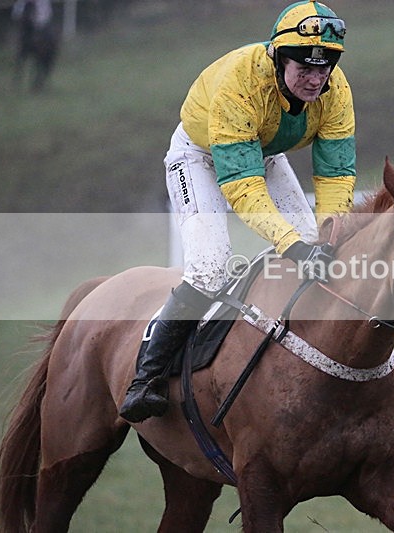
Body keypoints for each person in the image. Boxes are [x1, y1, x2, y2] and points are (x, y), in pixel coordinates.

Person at [119, 1, 356, 423]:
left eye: (325, 67)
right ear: (279, 56)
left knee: (321, 252)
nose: (315, 78)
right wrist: (292, 245)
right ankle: (147, 375)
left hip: (262, 152)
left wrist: (329, 235)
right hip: (201, 157)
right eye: (304, 66)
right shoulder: (241, 83)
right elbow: (242, 186)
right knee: (211, 268)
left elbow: (336, 174)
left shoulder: (336, 92)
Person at [11, 0, 58, 92]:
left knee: (51, 38)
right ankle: (17, 75)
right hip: (27, 27)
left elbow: (46, 15)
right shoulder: (22, 2)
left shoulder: (43, 2)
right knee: (21, 38)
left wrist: (37, 22)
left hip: (41, 26)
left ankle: (41, 78)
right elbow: (16, 14)